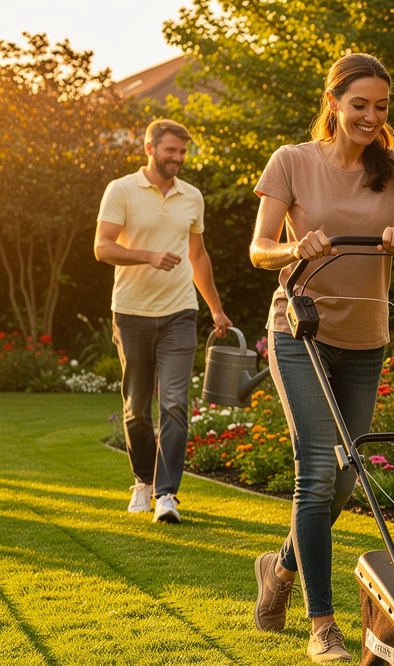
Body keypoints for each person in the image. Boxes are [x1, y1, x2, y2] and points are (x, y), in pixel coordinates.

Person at [249, 53, 394, 663]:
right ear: (334, 103)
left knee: (347, 476)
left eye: (381, 107)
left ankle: (278, 568)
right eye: (360, 105)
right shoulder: (292, 162)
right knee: (317, 471)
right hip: (299, 330)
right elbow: (257, 250)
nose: (371, 116)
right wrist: (291, 248)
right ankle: (321, 625)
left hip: (366, 338)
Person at [95, 118, 232, 523]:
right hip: (132, 312)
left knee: (174, 403)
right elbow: (102, 247)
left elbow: (198, 256)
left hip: (180, 312)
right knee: (137, 408)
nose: (178, 158)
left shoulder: (192, 196)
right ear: (150, 149)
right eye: (171, 150)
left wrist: (216, 307)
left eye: (183, 151)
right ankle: (143, 480)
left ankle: (168, 494)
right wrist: (148, 256)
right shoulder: (121, 190)